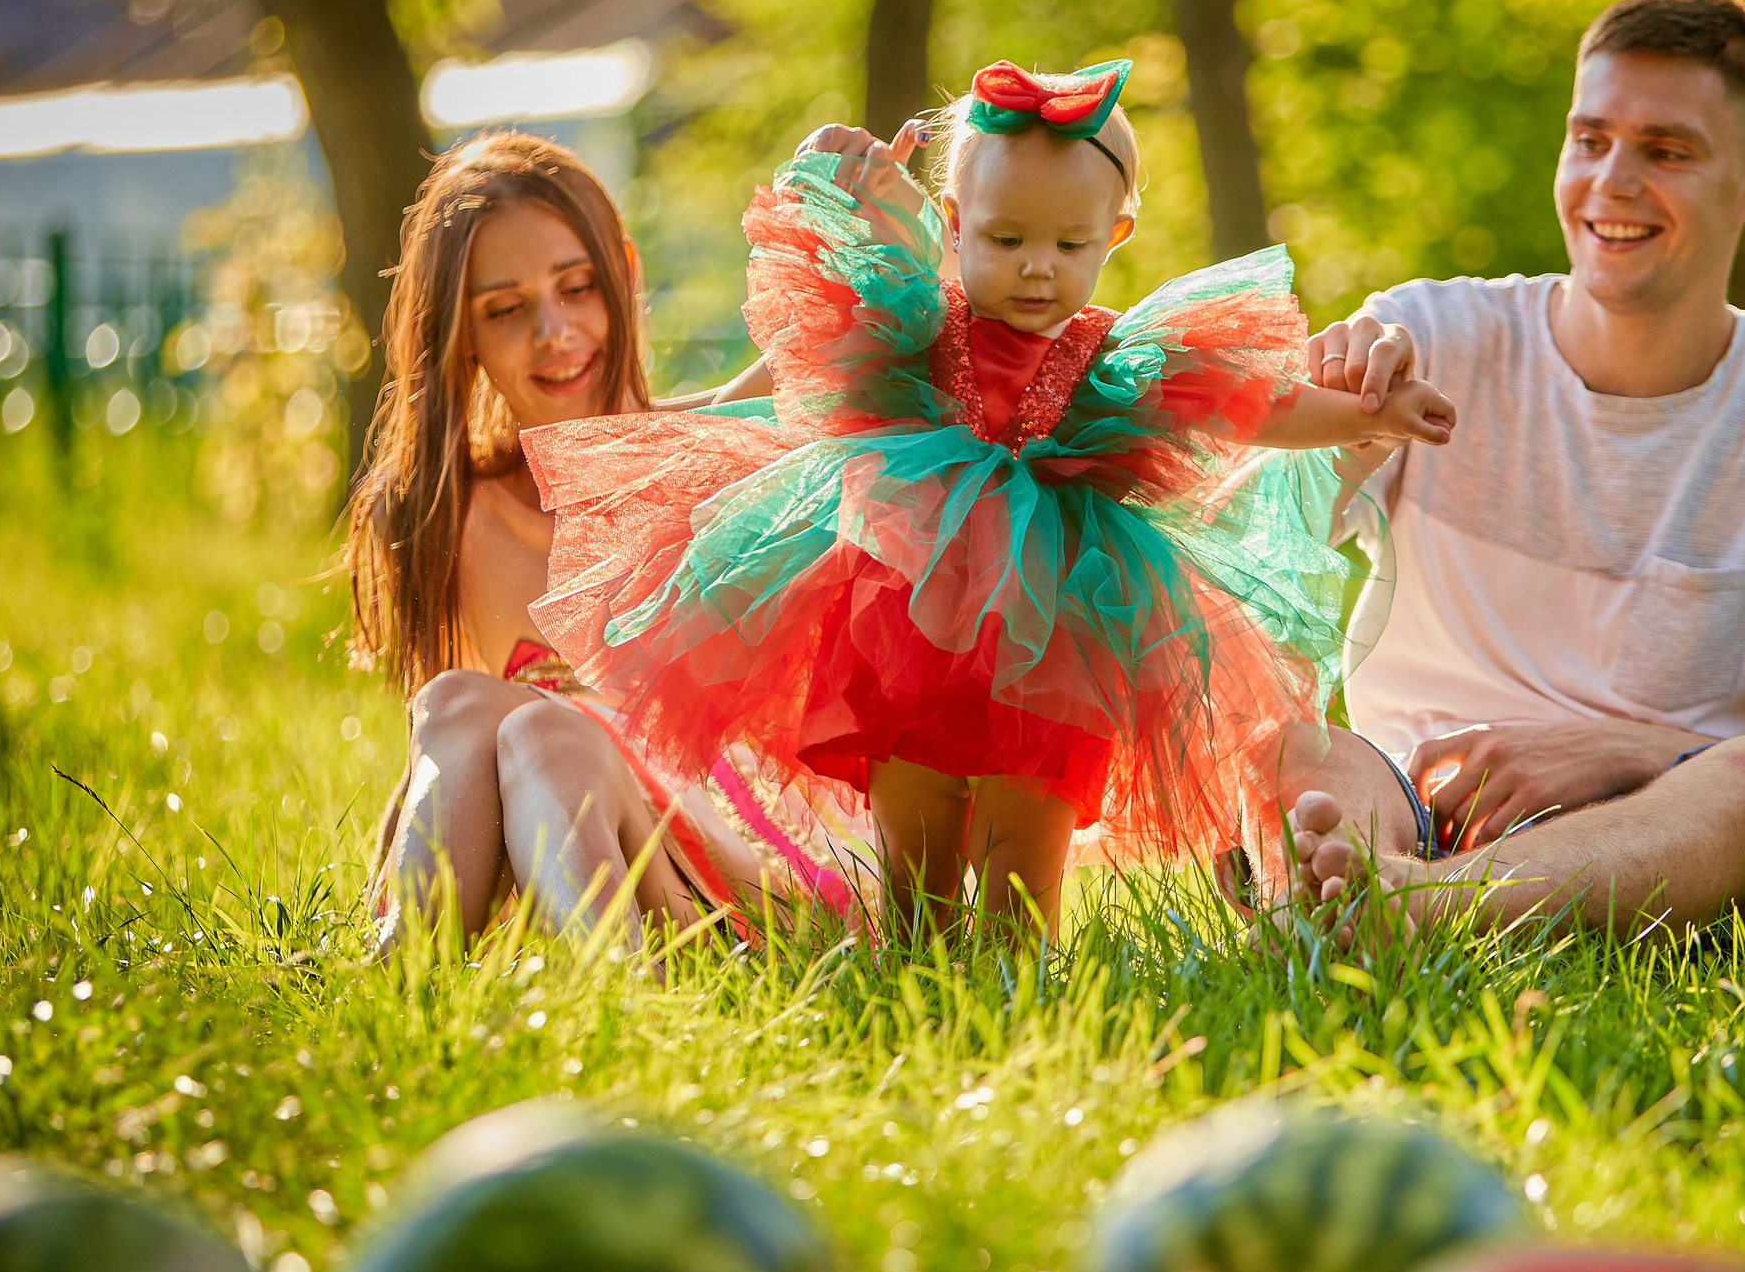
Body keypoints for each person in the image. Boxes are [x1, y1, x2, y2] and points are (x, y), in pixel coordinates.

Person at [525, 60, 1456, 933]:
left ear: (1117, 234)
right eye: (1006, 239)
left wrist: (1370, 408)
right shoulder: (919, 324)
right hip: (908, 623)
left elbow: (1255, 405)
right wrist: (840, 181)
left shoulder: (1116, 358)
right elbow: (821, 308)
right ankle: (912, 950)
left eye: (1070, 243)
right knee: (916, 827)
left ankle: (1019, 966)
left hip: (1063, 625)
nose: (1038, 267)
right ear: (955, 218)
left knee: (1029, 826)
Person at [1276, 0, 1745, 934]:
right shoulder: (1429, 338)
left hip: (1670, 842)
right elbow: (1229, 562)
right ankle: (1376, 892)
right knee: (1304, 748)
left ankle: (1409, 914)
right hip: (1411, 806)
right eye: (1590, 140)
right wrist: (1326, 429)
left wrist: (1632, 750)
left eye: (1666, 151)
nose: (1612, 182)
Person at [342, 130, 858, 951]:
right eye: (505, 309)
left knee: (547, 726)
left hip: (761, 868)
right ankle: (403, 957)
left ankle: (622, 997)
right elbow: (450, 755)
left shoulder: (710, 448)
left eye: (577, 286)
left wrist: (855, 203)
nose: (553, 330)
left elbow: (851, 337)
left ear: (623, 272)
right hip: (596, 859)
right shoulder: (452, 515)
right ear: (460, 334)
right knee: (458, 700)